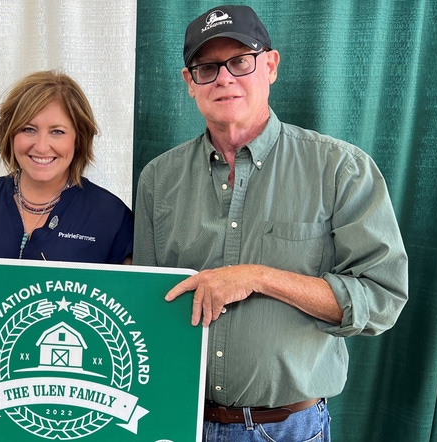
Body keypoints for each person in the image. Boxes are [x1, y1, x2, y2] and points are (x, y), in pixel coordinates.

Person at [133, 5, 408, 441]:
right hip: (180, 423)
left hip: (289, 430)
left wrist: (257, 277)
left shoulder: (340, 169)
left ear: (271, 65)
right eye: (206, 67)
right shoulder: (157, 179)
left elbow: (381, 297)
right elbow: (146, 310)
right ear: (190, 83)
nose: (224, 78)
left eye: (240, 61)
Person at [0, 70, 133, 264]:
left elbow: (130, 292)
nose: (42, 146)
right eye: (28, 129)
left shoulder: (111, 216)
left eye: (57, 132)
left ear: (79, 139)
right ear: (10, 134)